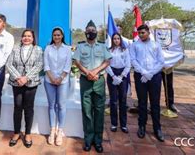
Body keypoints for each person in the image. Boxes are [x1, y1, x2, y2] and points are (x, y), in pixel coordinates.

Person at [73, 20, 112, 153]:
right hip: (85, 81)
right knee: (87, 111)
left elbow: (108, 60)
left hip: (99, 81)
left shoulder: (102, 46)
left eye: (93, 30)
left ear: (96, 32)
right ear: (85, 32)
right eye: (88, 30)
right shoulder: (80, 46)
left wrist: (95, 71)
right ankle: (88, 140)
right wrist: (87, 72)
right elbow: (76, 61)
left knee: (99, 112)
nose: (91, 32)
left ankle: (98, 141)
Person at [6, 29, 44, 148]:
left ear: (33, 38)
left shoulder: (38, 50)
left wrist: (26, 78)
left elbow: (39, 65)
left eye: (29, 36)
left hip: (31, 83)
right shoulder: (15, 49)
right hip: (16, 83)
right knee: (17, 107)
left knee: (28, 108)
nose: (26, 38)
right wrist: (18, 77)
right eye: (24, 36)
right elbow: (9, 64)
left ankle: (27, 133)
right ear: (22, 38)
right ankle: (16, 133)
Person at [130, 24, 165, 142]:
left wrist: (151, 73)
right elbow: (133, 60)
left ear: (148, 32)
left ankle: (157, 128)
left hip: (154, 77)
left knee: (155, 103)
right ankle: (142, 126)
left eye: (143, 33)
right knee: (142, 102)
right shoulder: (135, 45)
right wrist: (144, 72)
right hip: (141, 77)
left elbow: (161, 61)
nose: (141, 35)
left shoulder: (156, 45)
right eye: (139, 33)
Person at [43, 27, 72, 146]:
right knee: (51, 105)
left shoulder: (67, 49)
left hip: (63, 81)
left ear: (62, 36)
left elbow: (68, 65)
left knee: (61, 105)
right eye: (55, 35)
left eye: (59, 35)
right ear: (52, 36)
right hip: (49, 80)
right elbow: (46, 65)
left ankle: (60, 131)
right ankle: (52, 131)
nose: (56, 37)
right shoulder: (48, 48)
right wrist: (51, 77)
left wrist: (60, 78)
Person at [105, 32, 131, 133]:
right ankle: (114, 124)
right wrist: (113, 76)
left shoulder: (125, 50)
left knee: (123, 101)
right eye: (114, 39)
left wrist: (121, 77)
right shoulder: (109, 50)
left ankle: (123, 124)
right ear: (112, 40)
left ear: (120, 40)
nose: (116, 40)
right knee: (113, 101)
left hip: (122, 75)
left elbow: (128, 65)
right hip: (112, 74)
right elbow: (106, 64)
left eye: (118, 39)